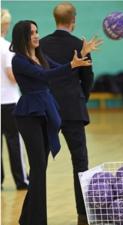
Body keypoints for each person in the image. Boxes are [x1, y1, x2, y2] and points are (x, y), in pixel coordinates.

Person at [10, 20, 95, 225]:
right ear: (23, 37)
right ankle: (37, 220)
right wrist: (72, 64)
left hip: (47, 111)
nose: (37, 35)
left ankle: (26, 219)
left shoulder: (40, 56)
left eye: (37, 31)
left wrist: (81, 56)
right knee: (38, 167)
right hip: (29, 114)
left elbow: (63, 70)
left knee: (40, 168)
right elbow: (45, 75)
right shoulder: (19, 60)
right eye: (32, 33)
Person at [39, 3, 102, 224]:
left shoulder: (42, 44)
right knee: (80, 163)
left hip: (46, 110)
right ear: (73, 20)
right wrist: (80, 99)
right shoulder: (80, 45)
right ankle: (83, 215)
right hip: (73, 110)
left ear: (55, 19)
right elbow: (88, 78)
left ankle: (37, 215)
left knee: (40, 164)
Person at [1, 9, 29, 190]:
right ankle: (21, 181)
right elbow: (11, 76)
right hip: (9, 102)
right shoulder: (7, 47)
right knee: (14, 141)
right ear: (4, 25)